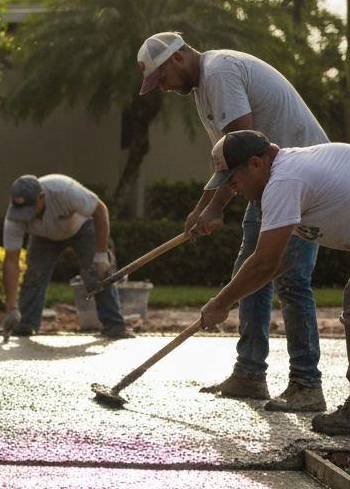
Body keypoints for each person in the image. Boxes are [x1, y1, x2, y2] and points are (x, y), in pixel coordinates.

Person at [137, 31, 328, 412]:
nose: (163, 88)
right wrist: (204, 206)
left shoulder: (219, 72)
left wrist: (214, 207)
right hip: (270, 179)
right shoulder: (204, 85)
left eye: (162, 79)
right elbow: (231, 159)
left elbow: (244, 145)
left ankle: (307, 384)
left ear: (177, 59)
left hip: (300, 180)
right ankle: (250, 373)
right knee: (249, 274)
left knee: (289, 279)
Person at [198, 130, 350, 434]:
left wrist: (221, 303)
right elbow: (277, 263)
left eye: (234, 179)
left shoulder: (283, 182)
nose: (232, 188)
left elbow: (264, 263)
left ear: (255, 163)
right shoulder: (285, 173)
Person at [2, 173, 133, 340]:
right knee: (34, 275)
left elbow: (100, 210)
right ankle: (25, 325)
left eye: (29, 210)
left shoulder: (64, 191)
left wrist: (100, 255)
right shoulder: (14, 217)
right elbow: (11, 261)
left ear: (41, 197)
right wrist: (10, 308)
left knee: (98, 273)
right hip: (43, 237)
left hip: (81, 228)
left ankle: (114, 326)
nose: (24, 217)